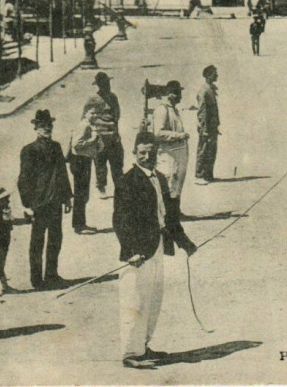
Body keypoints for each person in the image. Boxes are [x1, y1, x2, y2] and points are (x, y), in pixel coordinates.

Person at [113, 131, 197, 369]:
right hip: (138, 252)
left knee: (153, 299)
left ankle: (143, 346)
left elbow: (170, 217)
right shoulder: (127, 181)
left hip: (158, 246)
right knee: (134, 300)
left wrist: (185, 243)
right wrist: (130, 251)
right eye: (142, 153)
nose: (146, 157)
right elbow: (120, 220)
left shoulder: (160, 178)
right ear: (134, 153)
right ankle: (130, 353)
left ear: (157, 153)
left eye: (150, 153)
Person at [18, 109, 73, 289]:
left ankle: (51, 275)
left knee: (55, 238)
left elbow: (62, 173)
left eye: (49, 125)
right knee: (37, 240)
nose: (47, 128)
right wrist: (27, 204)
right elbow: (24, 179)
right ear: (36, 128)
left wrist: (67, 198)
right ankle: (36, 280)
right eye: (43, 126)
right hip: (39, 202)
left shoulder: (56, 147)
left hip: (55, 200)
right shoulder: (29, 150)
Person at [153, 80, 190, 216]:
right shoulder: (162, 110)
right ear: (171, 95)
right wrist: (179, 136)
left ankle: (175, 212)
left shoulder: (174, 110)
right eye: (178, 93)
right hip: (168, 154)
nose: (181, 96)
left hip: (178, 153)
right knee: (169, 182)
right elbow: (158, 133)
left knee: (177, 183)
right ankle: (167, 214)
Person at [85, 72, 123, 199]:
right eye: (103, 84)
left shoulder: (113, 97)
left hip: (113, 135)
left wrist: (116, 131)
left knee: (117, 163)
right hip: (100, 136)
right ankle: (101, 188)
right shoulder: (92, 99)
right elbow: (85, 116)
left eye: (107, 83)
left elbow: (117, 115)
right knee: (100, 163)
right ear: (99, 85)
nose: (106, 86)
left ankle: (119, 188)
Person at [69, 106, 104, 235]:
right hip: (80, 161)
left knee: (83, 194)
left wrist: (97, 142)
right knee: (80, 194)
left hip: (85, 160)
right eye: (92, 113)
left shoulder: (91, 126)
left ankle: (81, 223)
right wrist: (92, 140)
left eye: (96, 113)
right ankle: (79, 225)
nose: (94, 115)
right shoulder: (83, 126)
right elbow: (76, 144)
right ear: (85, 113)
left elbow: (97, 147)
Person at [195, 65, 220, 185]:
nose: (217, 75)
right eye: (215, 73)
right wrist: (204, 129)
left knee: (211, 151)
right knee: (203, 150)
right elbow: (202, 112)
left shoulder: (210, 89)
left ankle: (208, 175)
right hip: (206, 127)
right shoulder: (204, 91)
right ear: (208, 76)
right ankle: (199, 175)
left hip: (212, 127)